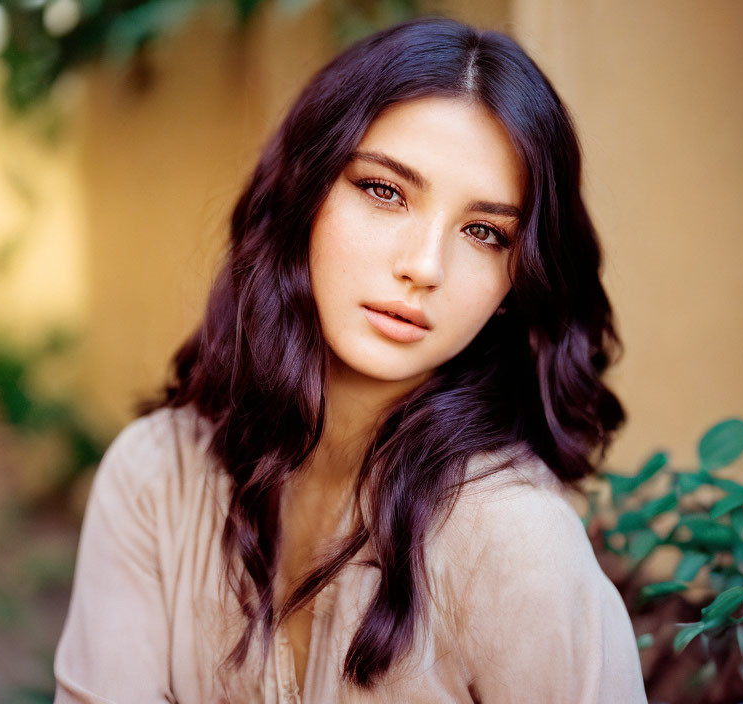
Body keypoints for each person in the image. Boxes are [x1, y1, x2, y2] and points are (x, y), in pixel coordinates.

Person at [53, 15, 648, 704]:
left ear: (518, 283)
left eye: (484, 233)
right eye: (384, 190)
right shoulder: (158, 479)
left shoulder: (516, 546)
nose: (423, 267)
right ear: (304, 194)